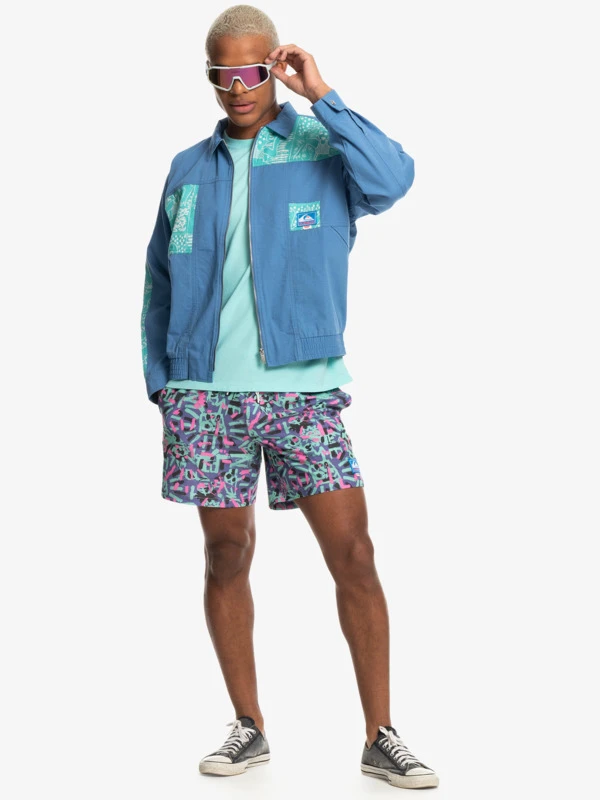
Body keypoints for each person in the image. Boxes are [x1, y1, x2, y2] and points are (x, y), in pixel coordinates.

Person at [141, 4, 438, 790]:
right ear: (211, 76)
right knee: (225, 554)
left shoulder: (320, 148)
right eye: (222, 74)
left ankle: (381, 734)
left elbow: (395, 178)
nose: (237, 87)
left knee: (355, 555)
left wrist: (323, 95)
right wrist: (163, 381)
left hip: (302, 391)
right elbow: (159, 279)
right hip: (204, 394)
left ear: (273, 66)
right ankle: (249, 726)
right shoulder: (187, 167)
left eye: (251, 70)